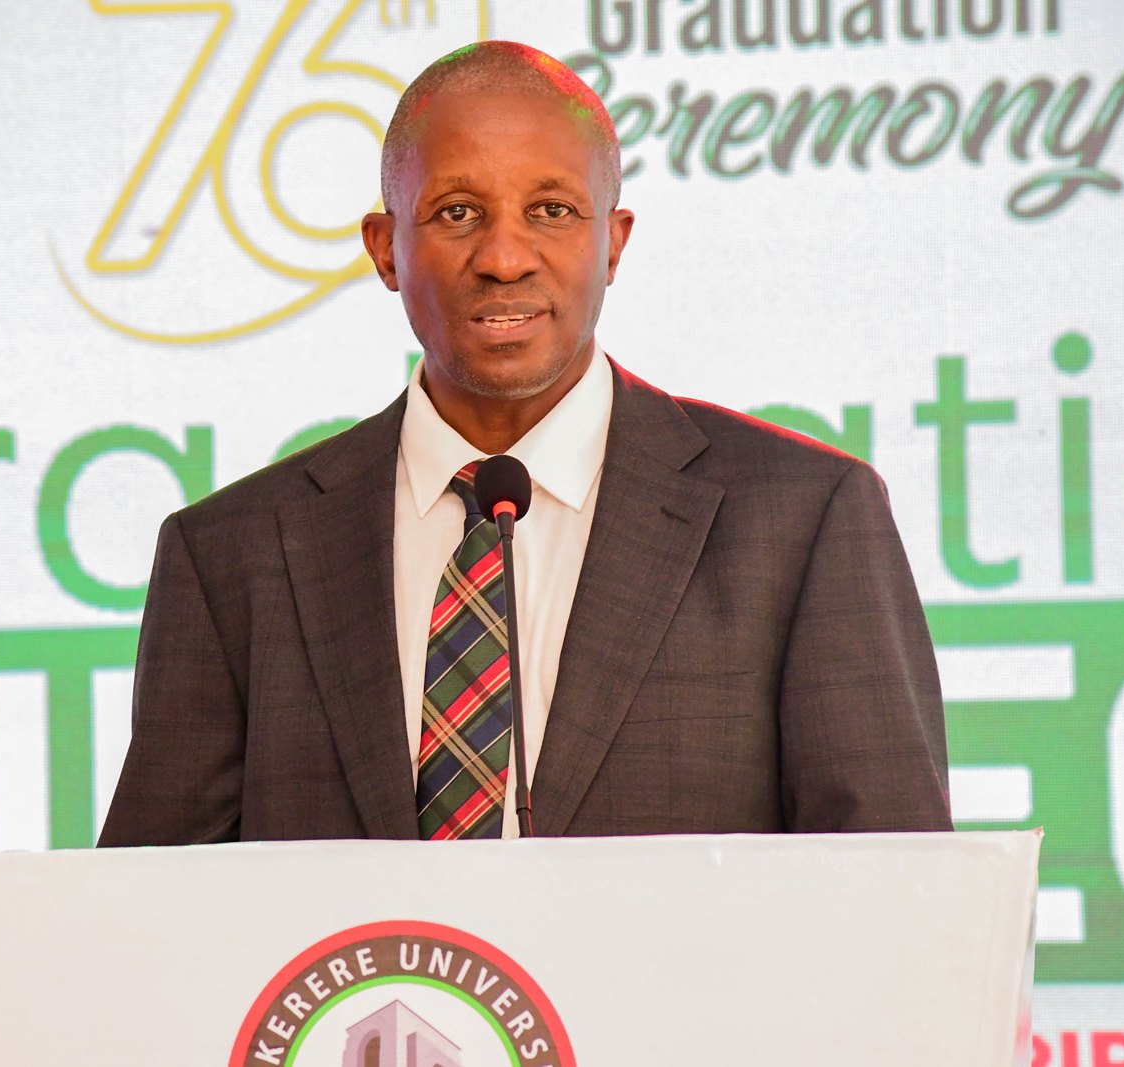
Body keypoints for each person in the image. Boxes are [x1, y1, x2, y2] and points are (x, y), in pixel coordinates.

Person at [98, 41, 952, 846]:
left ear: (611, 244)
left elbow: (896, 901)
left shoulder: (802, 520)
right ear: (384, 249)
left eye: (551, 210)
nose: (504, 257)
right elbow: (154, 931)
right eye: (457, 212)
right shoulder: (231, 557)